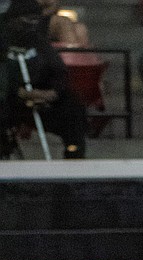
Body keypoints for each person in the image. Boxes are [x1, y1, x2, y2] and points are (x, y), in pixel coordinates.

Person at [0, 0, 87, 158]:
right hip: (11, 99)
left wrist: (52, 93)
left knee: (73, 106)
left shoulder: (39, 42)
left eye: (35, 20)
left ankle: (74, 154)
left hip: (40, 97)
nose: (31, 24)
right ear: (13, 19)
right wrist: (19, 92)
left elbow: (59, 72)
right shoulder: (3, 42)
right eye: (27, 20)